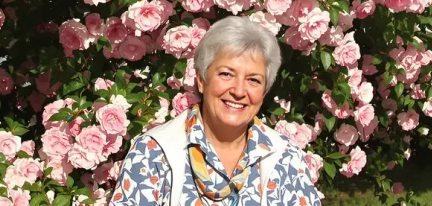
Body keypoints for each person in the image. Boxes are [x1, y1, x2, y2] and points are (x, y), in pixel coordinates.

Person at [109, 16, 322, 205]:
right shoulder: (153, 152)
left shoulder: (284, 156)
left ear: (264, 92)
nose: (239, 91)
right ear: (201, 79)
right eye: (226, 74)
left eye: (253, 80)